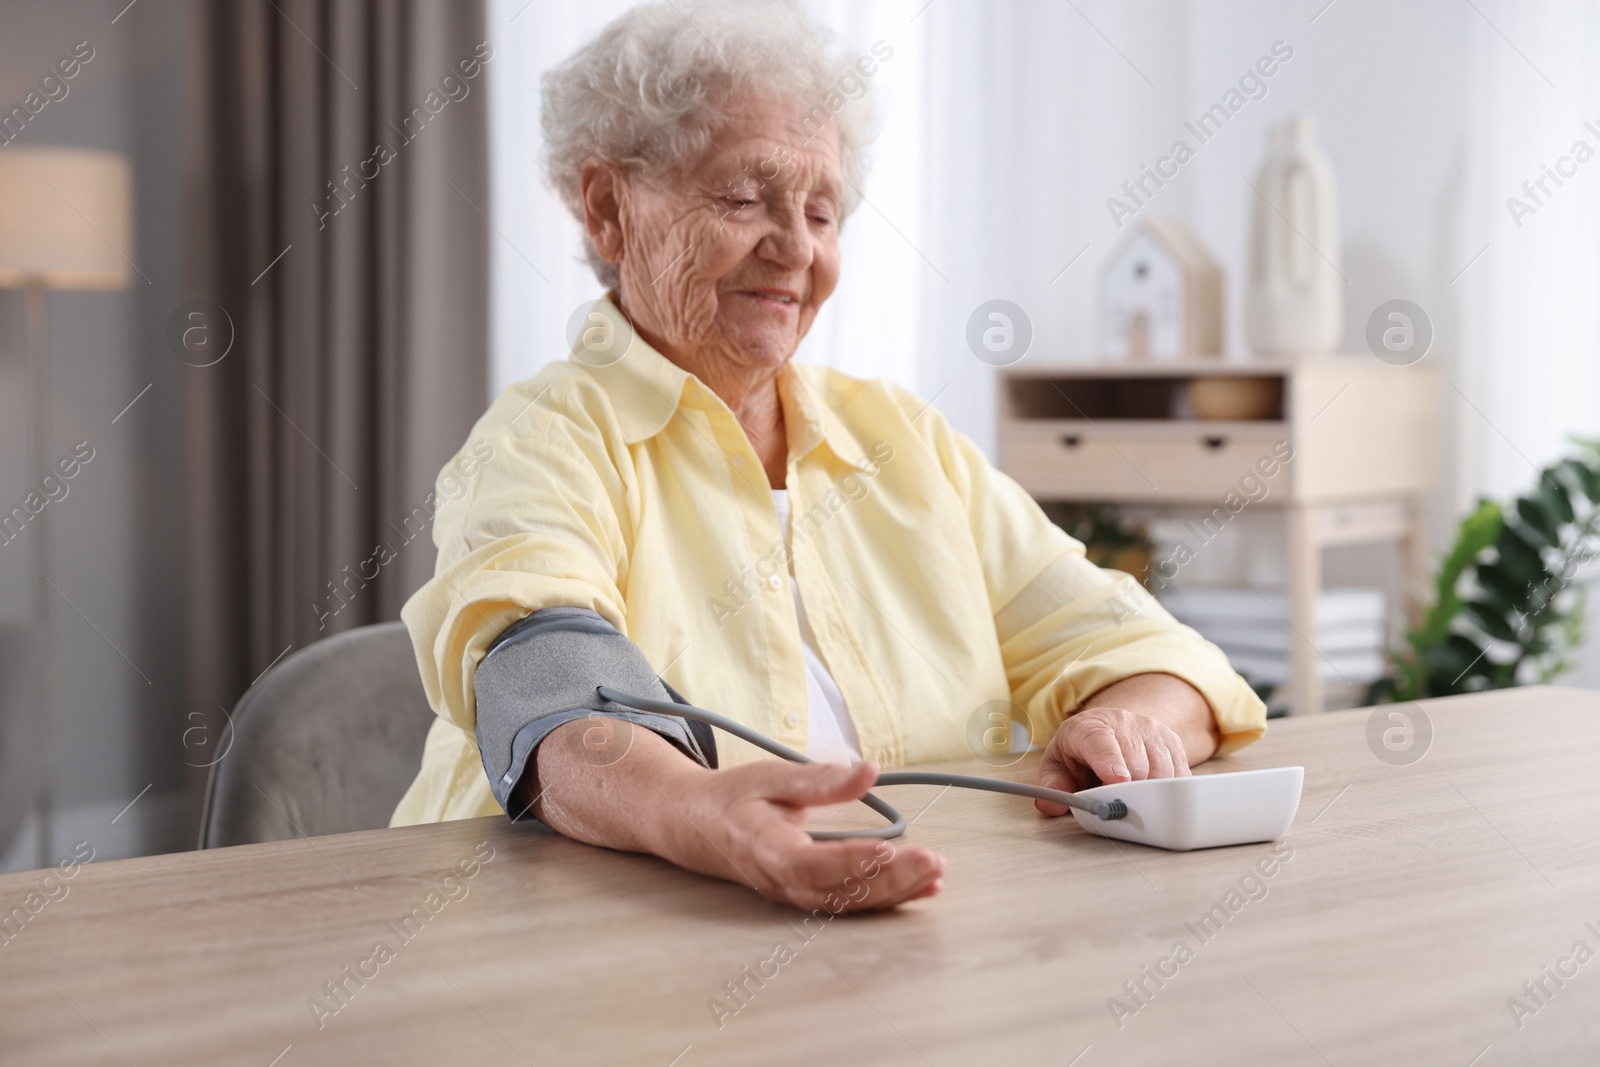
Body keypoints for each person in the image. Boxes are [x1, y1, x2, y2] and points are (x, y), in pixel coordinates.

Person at [391, 0, 1266, 913]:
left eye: (822, 210)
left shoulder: (903, 441)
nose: (797, 248)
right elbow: (546, 682)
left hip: (907, 929)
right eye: (743, 198)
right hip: (574, 945)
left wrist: (1128, 721)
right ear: (608, 210)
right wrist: (702, 811)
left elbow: (1154, 653)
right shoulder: (544, 438)